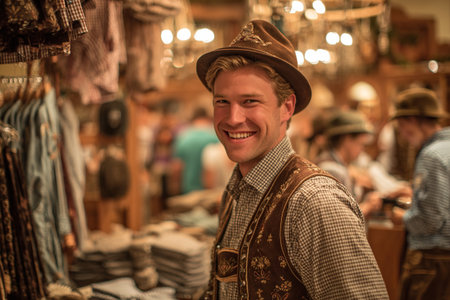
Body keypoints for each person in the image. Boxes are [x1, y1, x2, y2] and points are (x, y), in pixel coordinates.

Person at [196, 19, 388, 299]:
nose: (233, 118)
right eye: (222, 102)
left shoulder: (314, 202)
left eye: (250, 101)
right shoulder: (236, 190)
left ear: (287, 107)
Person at [390, 87, 450, 300]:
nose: (404, 136)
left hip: (433, 260)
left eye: (402, 128)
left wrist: (402, 218)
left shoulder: (431, 156)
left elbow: (430, 219)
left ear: (412, 120)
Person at [315, 110, 383, 218]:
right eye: (361, 144)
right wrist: (369, 205)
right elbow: (342, 219)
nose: (362, 150)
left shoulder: (334, 163)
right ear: (347, 140)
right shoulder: (333, 170)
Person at [171, 106, 219, 194]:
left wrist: (175, 190)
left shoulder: (183, 137)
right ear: (207, 118)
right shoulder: (216, 136)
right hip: (213, 191)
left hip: (189, 189)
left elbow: (177, 167)